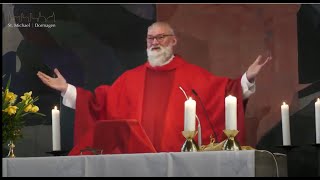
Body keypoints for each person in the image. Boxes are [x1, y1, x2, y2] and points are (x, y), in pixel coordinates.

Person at [37, 21, 271, 154]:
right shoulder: (130, 79)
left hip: (182, 162)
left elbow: (225, 94)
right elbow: (100, 103)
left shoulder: (193, 75)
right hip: (137, 165)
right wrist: (67, 88)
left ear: (173, 41)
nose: (155, 42)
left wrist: (247, 78)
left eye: (160, 37)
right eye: (151, 38)